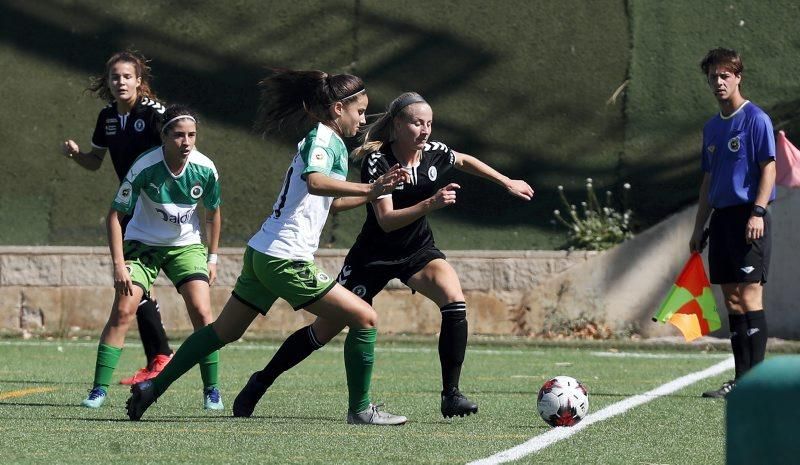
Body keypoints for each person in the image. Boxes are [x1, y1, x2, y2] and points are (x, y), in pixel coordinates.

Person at [126, 69, 410, 425]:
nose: (363, 120)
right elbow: (317, 182)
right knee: (365, 318)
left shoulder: (331, 142)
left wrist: (376, 192)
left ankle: (152, 389)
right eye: (360, 111)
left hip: (264, 251)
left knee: (222, 332)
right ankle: (361, 410)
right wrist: (370, 190)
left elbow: (330, 201)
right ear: (338, 109)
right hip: (285, 258)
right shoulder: (323, 139)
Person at [232, 92, 534, 419]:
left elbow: (463, 160)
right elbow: (387, 221)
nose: (425, 130)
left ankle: (451, 394)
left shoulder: (433, 152)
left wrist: (506, 181)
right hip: (372, 258)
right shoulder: (379, 162)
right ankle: (260, 381)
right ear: (397, 125)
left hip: (417, 250)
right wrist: (430, 204)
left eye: (429, 123)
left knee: (454, 299)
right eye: (417, 123)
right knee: (324, 330)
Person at [81, 104, 223, 410]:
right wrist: (119, 265)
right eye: (179, 135)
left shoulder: (206, 168)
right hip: (143, 245)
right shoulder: (144, 166)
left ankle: (212, 389)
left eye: (192, 135)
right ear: (164, 136)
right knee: (123, 310)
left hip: (185, 247)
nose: (186, 142)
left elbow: (213, 215)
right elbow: (114, 217)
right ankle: (98, 390)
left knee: (201, 311)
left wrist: (212, 258)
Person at [62, 50, 174, 385]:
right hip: (130, 210)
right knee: (135, 285)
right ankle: (160, 357)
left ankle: (179, 365)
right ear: (108, 82)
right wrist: (77, 155)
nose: (120, 82)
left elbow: (180, 151)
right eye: (115, 77)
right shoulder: (107, 117)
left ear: (139, 81)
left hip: (160, 210)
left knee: (149, 287)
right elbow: (95, 161)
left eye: (127, 76)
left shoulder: (156, 114)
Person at [689, 48, 776, 398]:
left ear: (738, 76)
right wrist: (698, 227)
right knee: (732, 302)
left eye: (725, 75)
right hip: (722, 221)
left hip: (748, 219)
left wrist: (757, 212)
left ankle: (756, 384)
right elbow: (708, 182)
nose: (719, 82)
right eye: (713, 77)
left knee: (751, 297)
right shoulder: (711, 128)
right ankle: (741, 381)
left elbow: (768, 168)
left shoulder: (756, 119)